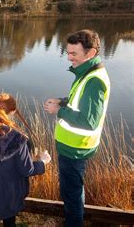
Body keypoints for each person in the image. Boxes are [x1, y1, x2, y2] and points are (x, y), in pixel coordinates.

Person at [44, 29, 110, 227]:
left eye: (74, 54)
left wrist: (58, 110)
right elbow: (79, 102)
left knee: (71, 196)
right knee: (72, 191)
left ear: (90, 53)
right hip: (71, 147)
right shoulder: (86, 72)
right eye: (68, 52)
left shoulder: (95, 80)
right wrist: (63, 102)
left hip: (76, 148)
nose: (69, 58)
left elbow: (89, 121)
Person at [0, 93, 51, 227]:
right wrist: (42, 162)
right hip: (10, 193)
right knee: (9, 222)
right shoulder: (17, 138)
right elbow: (27, 170)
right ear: (13, 112)